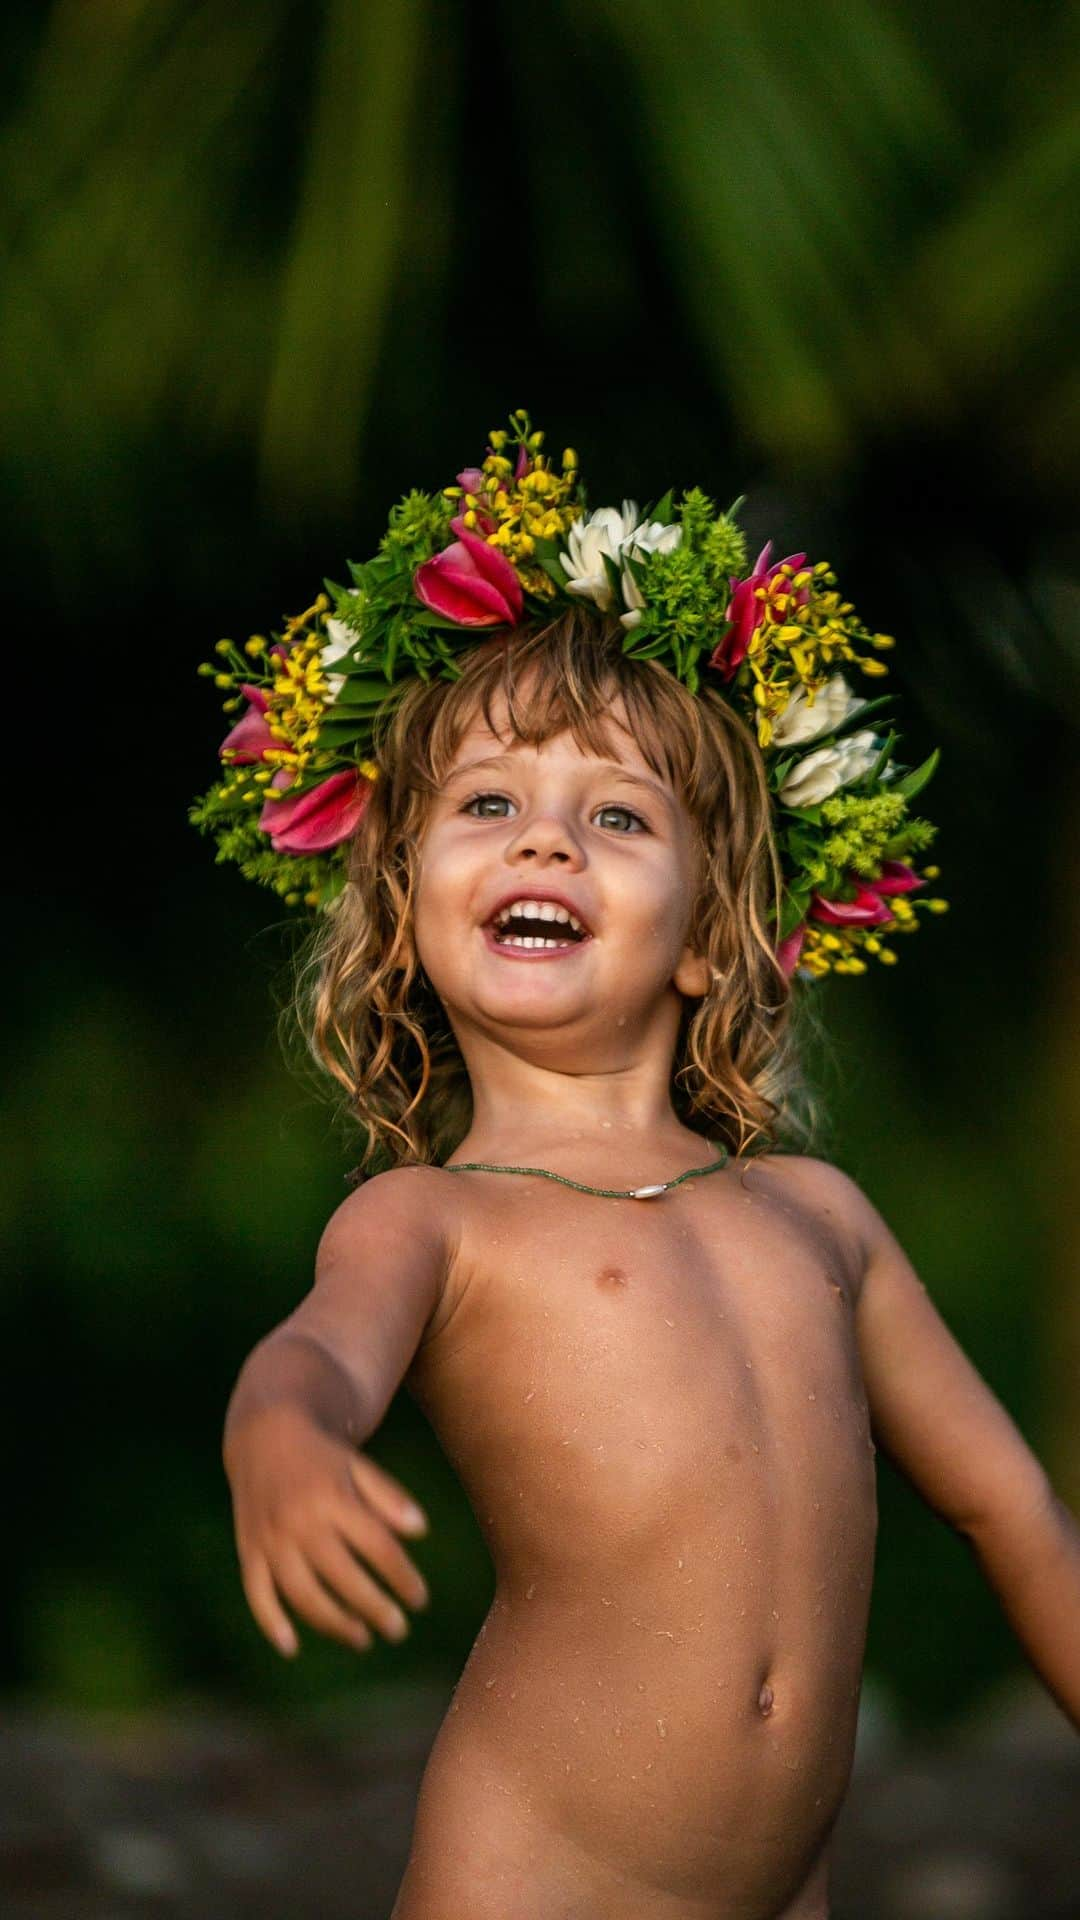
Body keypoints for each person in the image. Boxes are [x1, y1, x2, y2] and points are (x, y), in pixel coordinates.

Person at [207, 422, 1079, 1918]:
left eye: (615, 818)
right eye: (486, 806)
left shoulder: (821, 1220)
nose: (544, 841)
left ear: (705, 939)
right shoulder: (435, 1220)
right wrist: (276, 1443)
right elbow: (314, 1360)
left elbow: (1013, 1509)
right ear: (407, 910)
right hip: (529, 1884)